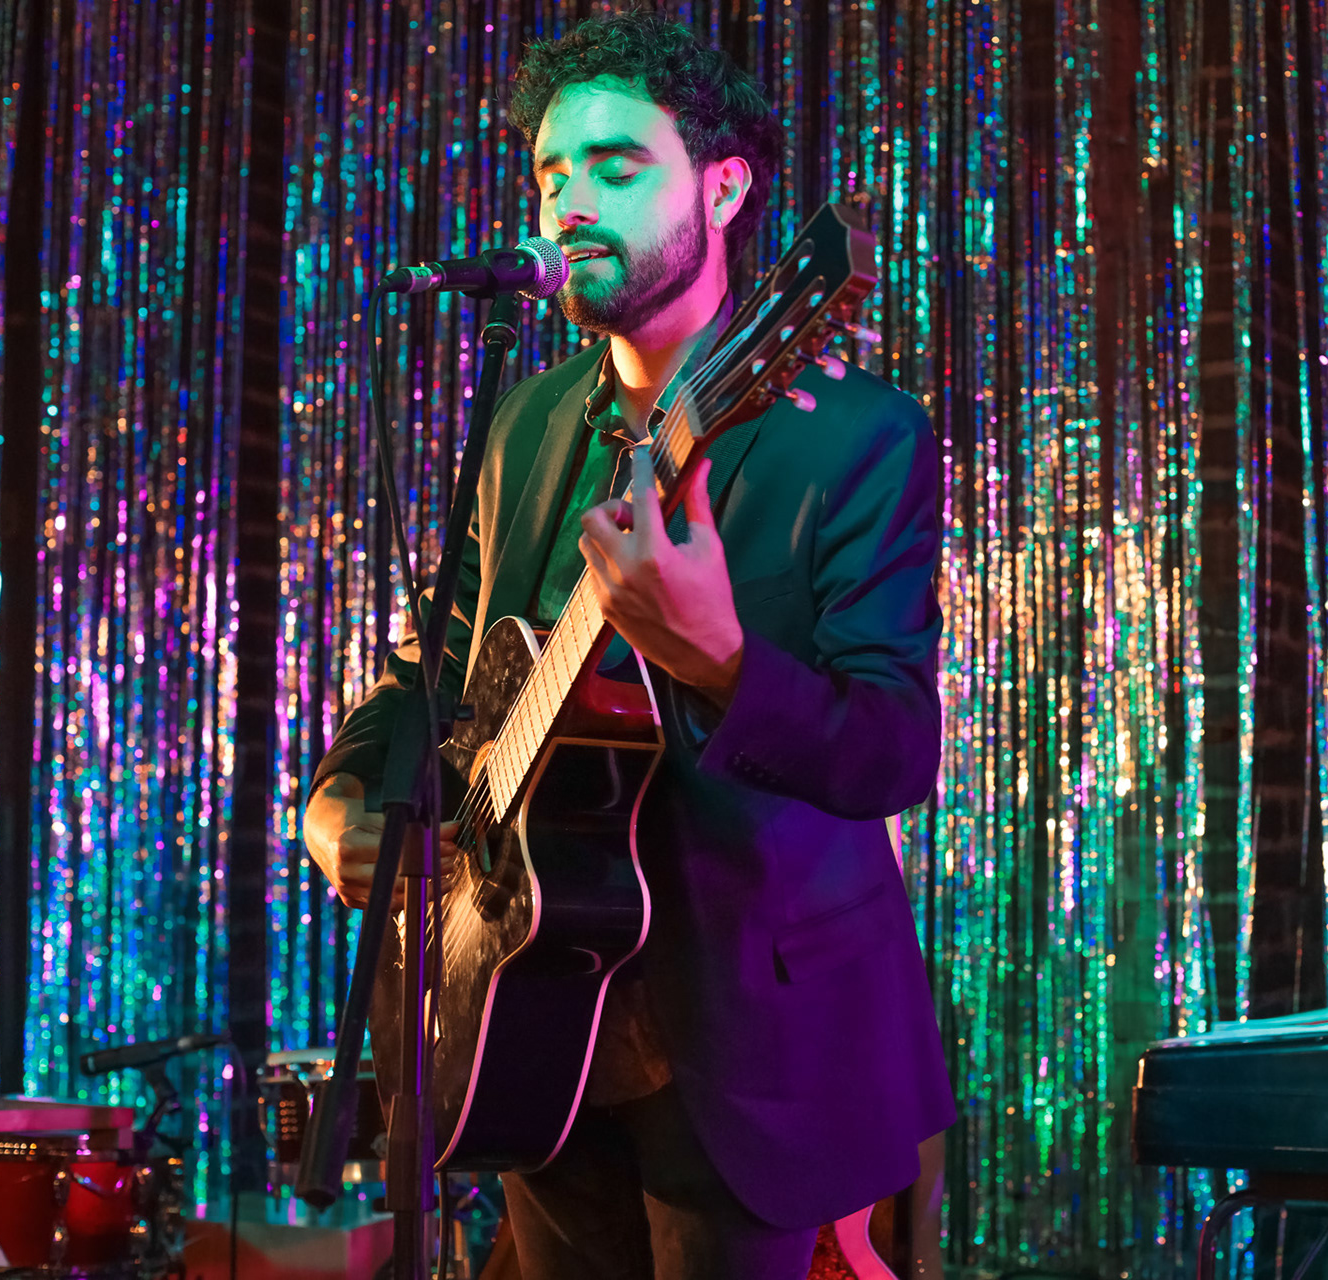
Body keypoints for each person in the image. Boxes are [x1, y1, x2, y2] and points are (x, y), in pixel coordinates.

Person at [301, 14, 955, 1279]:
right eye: (553, 171)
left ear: (724, 188)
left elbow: (892, 749)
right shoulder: (531, 420)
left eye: (617, 166)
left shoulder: (853, 435)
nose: (572, 201)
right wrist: (343, 792)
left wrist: (719, 658)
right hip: (533, 1013)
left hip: (758, 1049)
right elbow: (438, 663)